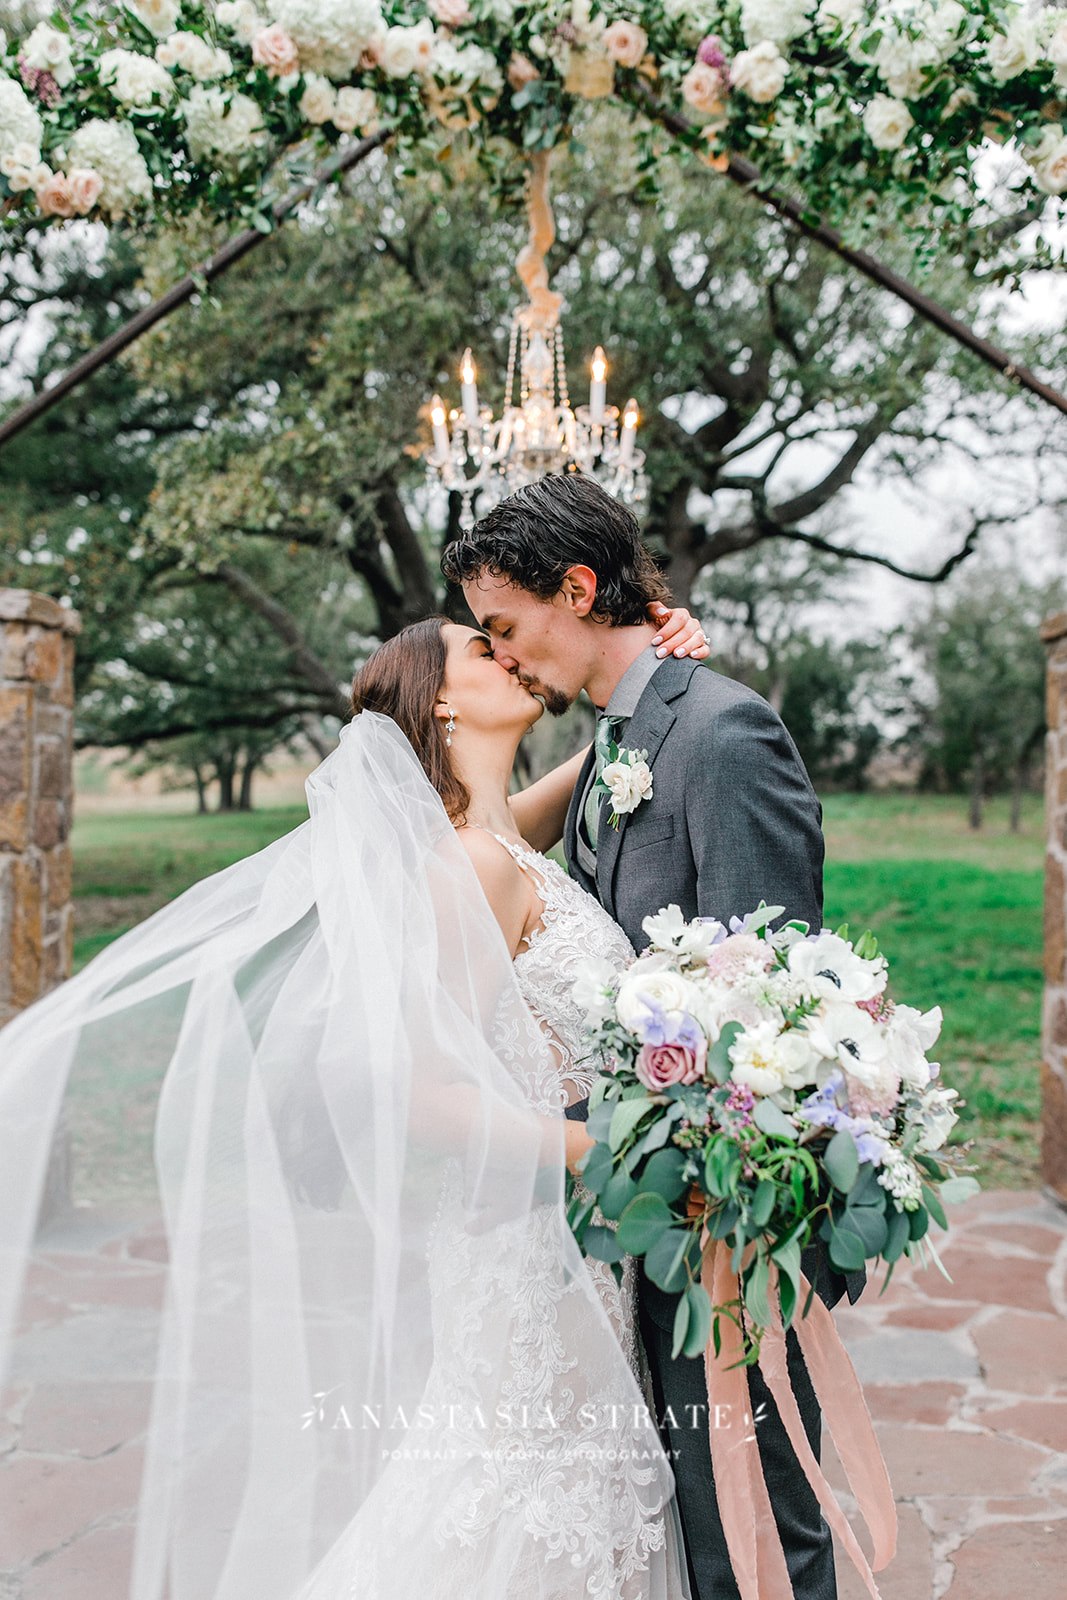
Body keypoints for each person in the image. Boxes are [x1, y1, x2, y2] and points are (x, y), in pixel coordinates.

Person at [0, 593, 709, 1600]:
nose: (509, 652)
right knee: (527, 1501)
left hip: (559, 1247)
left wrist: (651, 665)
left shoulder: (500, 844)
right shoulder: (467, 864)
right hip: (524, 1247)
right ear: (442, 705)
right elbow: (415, 1093)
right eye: (483, 645)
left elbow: (590, 774)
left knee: (553, 1496)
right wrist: (582, 1150)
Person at [442, 470, 868, 1600]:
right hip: (642, 1225)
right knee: (695, 1530)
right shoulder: (620, 744)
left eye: (508, 626)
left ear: (576, 586)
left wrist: (747, 1236)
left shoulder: (721, 736)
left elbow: (772, 1005)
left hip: (722, 1231)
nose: (507, 656)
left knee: (761, 1534)